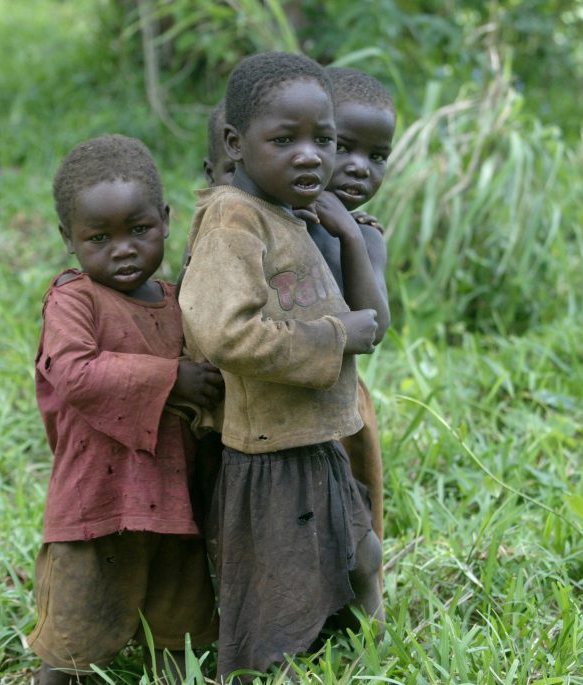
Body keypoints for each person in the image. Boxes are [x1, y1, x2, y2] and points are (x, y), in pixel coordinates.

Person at [178, 52, 385, 681]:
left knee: (359, 550)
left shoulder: (286, 212)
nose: (311, 156)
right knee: (278, 578)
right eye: (285, 139)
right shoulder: (231, 222)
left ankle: (355, 636)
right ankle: (266, 665)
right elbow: (227, 335)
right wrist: (333, 336)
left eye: (323, 139)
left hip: (311, 431)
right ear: (237, 145)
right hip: (268, 450)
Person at [29, 134, 223, 685]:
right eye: (99, 237)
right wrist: (171, 379)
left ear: (165, 220)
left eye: (139, 230)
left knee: (178, 627)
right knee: (74, 635)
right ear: (69, 239)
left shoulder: (177, 301)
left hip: (173, 498)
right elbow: (74, 373)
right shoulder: (73, 300)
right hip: (96, 500)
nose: (123, 249)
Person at [308, 66, 397, 562]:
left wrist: (349, 236)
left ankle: (359, 623)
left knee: (350, 525)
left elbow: (376, 325)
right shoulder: (272, 220)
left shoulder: (365, 236)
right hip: (266, 399)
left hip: (338, 405)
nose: (360, 167)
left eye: (377, 156)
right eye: (342, 147)